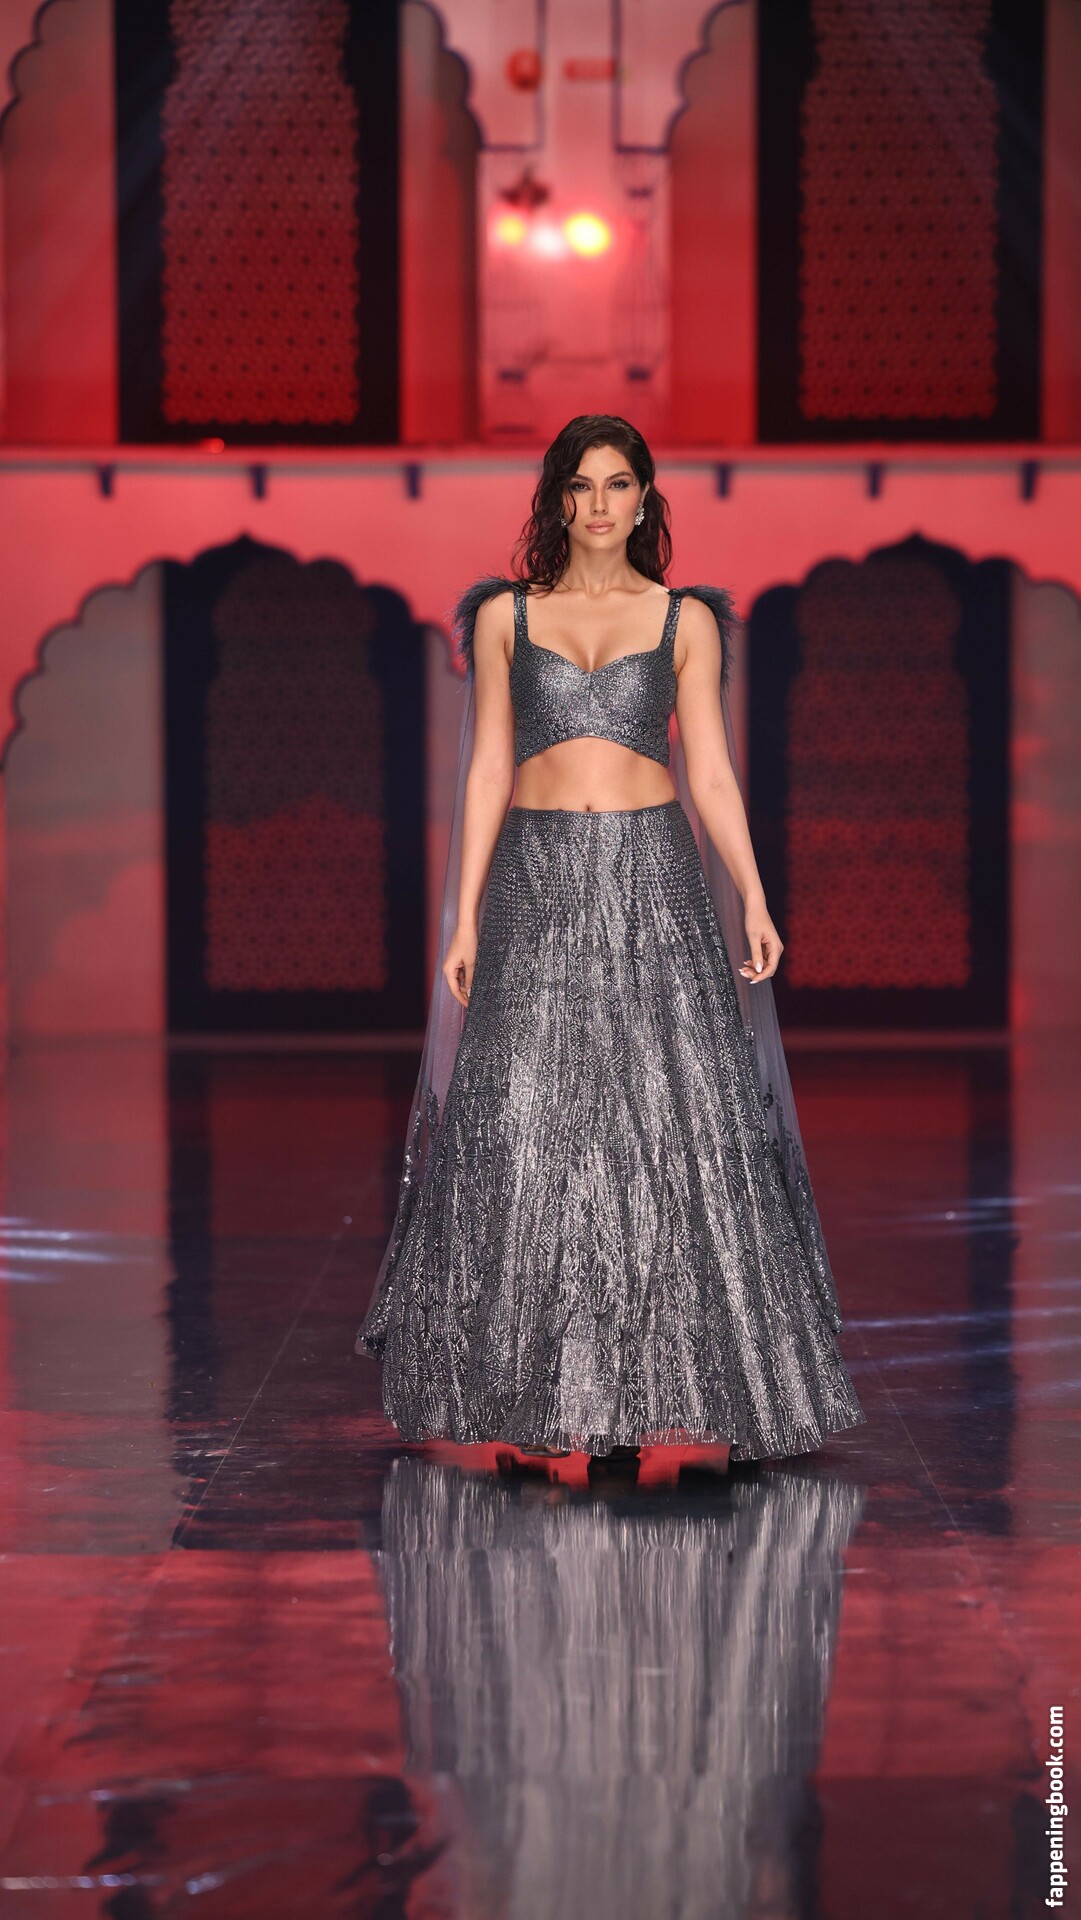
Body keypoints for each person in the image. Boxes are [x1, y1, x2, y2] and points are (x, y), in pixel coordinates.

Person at [355, 413, 866, 1464]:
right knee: (524, 1115)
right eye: (580, 485)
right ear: (557, 499)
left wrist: (753, 896)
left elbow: (709, 770)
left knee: (669, 1117)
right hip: (535, 874)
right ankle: (529, 1382)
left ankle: (673, 1382)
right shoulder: (505, 617)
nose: (598, 503)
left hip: (653, 874)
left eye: (617, 483)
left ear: (644, 499)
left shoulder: (686, 619)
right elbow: (487, 769)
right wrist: (463, 914)